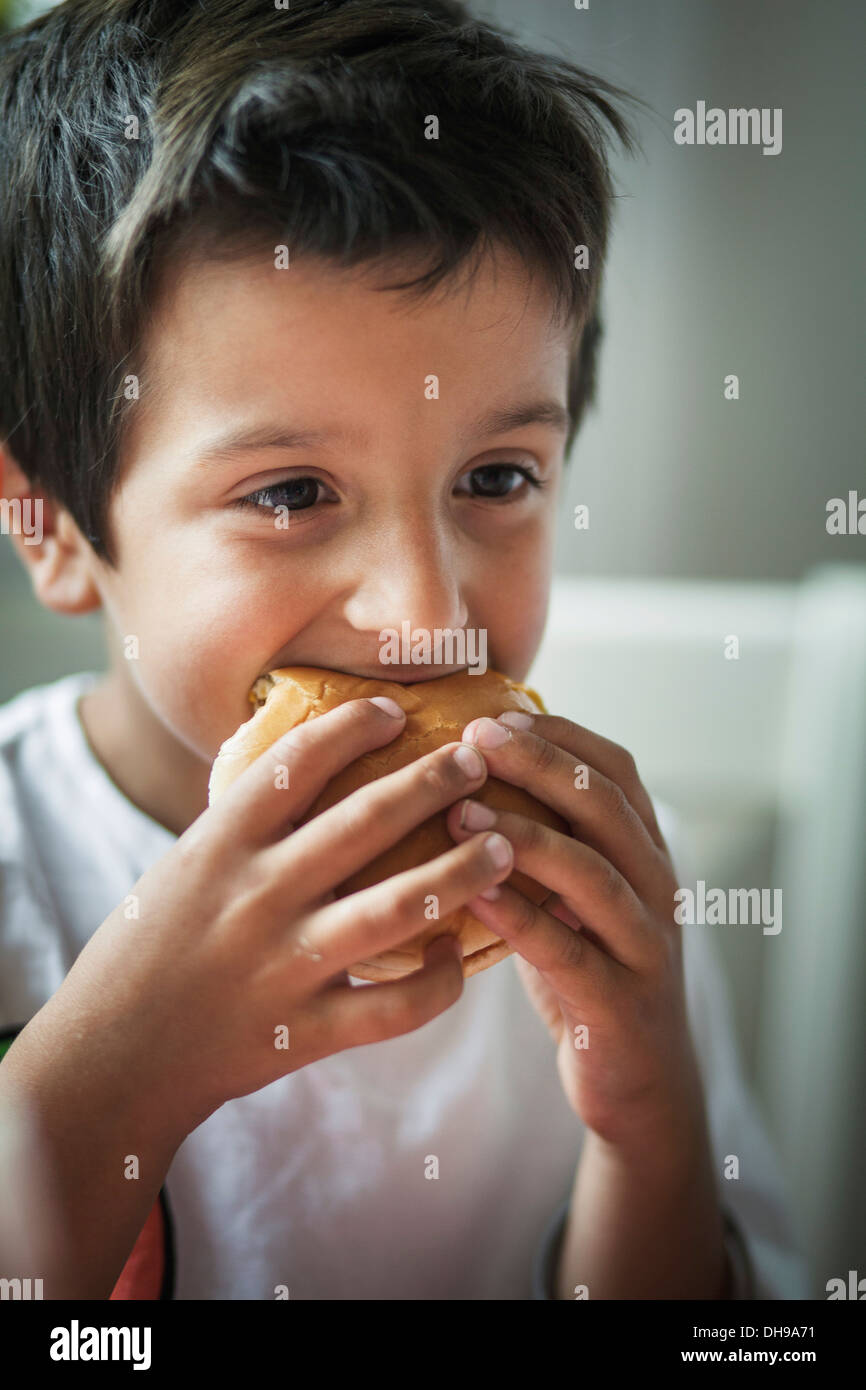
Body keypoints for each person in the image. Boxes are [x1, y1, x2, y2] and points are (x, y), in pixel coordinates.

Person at [0, 0, 810, 1299]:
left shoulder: (587, 878)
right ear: (48, 524)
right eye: (289, 493)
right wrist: (101, 1087)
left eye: (495, 474)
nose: (424, 610)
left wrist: (651, 1130)